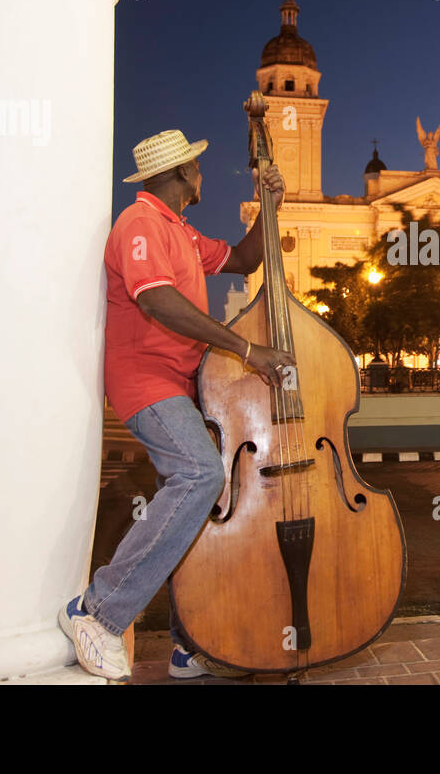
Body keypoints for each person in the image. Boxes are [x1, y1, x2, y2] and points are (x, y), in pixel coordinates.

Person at [59, 128, 294, 682]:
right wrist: (244, 347)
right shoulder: (139, 223)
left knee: (210, 501)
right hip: (146, 382)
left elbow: (242, 258)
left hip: (184, 385)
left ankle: (193, 641)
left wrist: (270, 205)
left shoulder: (180, 232)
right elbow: (156, 299)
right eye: (196, 166)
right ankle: (97, 611)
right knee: (197, 474)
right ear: (183, 174)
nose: (202, 174)